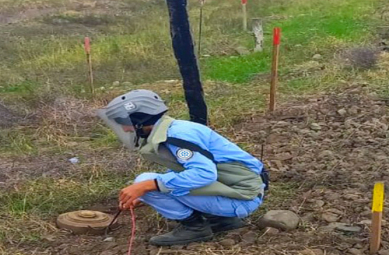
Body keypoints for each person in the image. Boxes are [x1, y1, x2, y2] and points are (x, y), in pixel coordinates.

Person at [98, 90, 267, 246]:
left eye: (125, 122)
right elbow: (187, 170)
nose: (125, 128)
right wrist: (143, 194)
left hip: (243, 198)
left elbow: (205, 174)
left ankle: (195, 228)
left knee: (144, 181)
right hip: (241, 191)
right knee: (151, 183)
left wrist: (148, 187)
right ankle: (221, 219)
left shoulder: (177, 135)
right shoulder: (172, 129)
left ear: (140, 119)